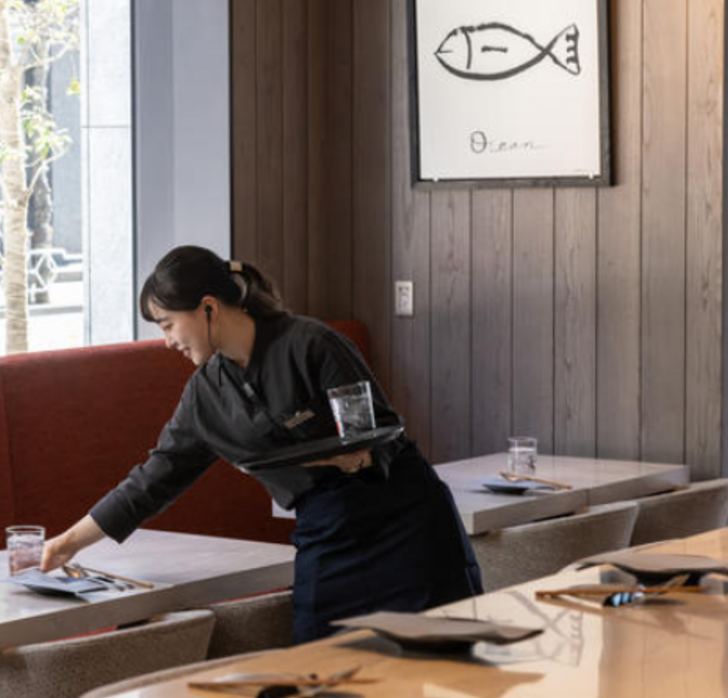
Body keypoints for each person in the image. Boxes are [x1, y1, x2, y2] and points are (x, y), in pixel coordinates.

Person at [40, 245, 482, 643]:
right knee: (319, 675)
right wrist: (68, 543)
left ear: (208, 308)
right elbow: (152, 480)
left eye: (169, 324)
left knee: (442, 671)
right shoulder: (205, 394)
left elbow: (373, 434)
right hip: (325, 528)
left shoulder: (313, 344)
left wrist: (347, 456)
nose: (168, 341)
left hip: (405, 519)